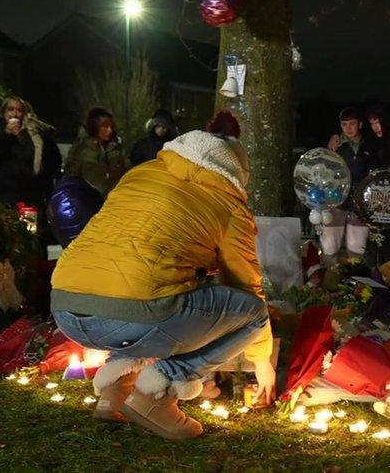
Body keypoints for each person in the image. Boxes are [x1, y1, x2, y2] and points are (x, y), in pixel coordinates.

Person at [50, 111, 273, 440]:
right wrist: (262, 358)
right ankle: (157, 395)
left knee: (151, 291)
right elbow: (244, 284)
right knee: (253, 315)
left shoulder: (141, 173)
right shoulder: (227, 199)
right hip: (132, 314)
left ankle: (113, 389)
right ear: (236, 170)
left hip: (66, 306)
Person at [0, 96, 61, 210]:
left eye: (19, 110)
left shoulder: (33, 133)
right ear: (3, 112)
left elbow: (51, 158)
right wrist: (7, 134)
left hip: (30, 192)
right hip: (2, 191)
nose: (15, 114)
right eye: (11, 110)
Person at [321, 107, 377, 262]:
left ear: (360, 124)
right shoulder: (335, 146)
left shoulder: (370, 145)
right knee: (329, 247)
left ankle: (356, 282)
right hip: (336, 203)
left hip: (360, 205)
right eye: (344, 125)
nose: (348, 128)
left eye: (352, 124)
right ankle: (329, 280)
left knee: (357, 249)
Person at [64, 108, 128, 198]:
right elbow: (70, 176)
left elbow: (127, 172)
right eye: (105, 127)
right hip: (87, 200)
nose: (110, 130)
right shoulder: (81, 148)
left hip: (113, 200)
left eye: (111, 127)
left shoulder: (117, 148)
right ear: (95, 126)